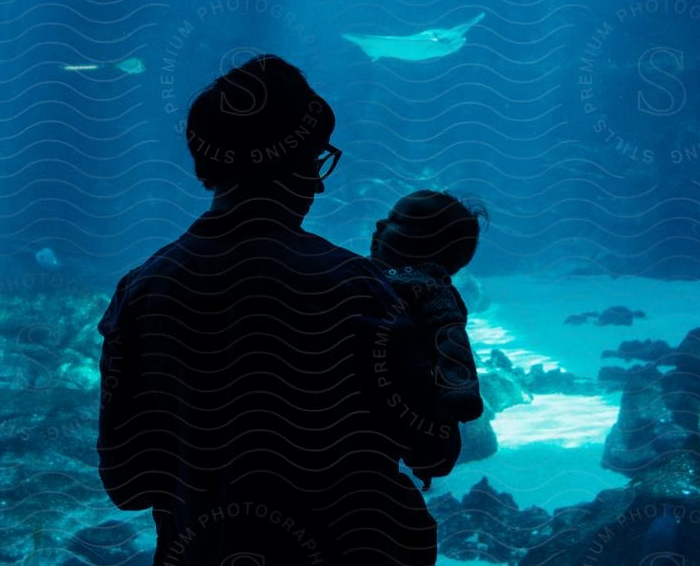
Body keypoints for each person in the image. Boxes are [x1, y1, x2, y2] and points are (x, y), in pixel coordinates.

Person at [97, 55, 447, 565]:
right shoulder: (359, 288)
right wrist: (438, 329)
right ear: (291, 160)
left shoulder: (142, 292)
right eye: (314, 160)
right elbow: (434, 449)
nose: (319, 182)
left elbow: (125, 483)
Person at [368, 191, 486, 491]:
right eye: (387, 215)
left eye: (398, 221)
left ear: (428, 246)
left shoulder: (429, 289)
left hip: (417, 392)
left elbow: (451, 338)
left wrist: (462, 390)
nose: (382, 223)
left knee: (433, 444)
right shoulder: (372, 274)